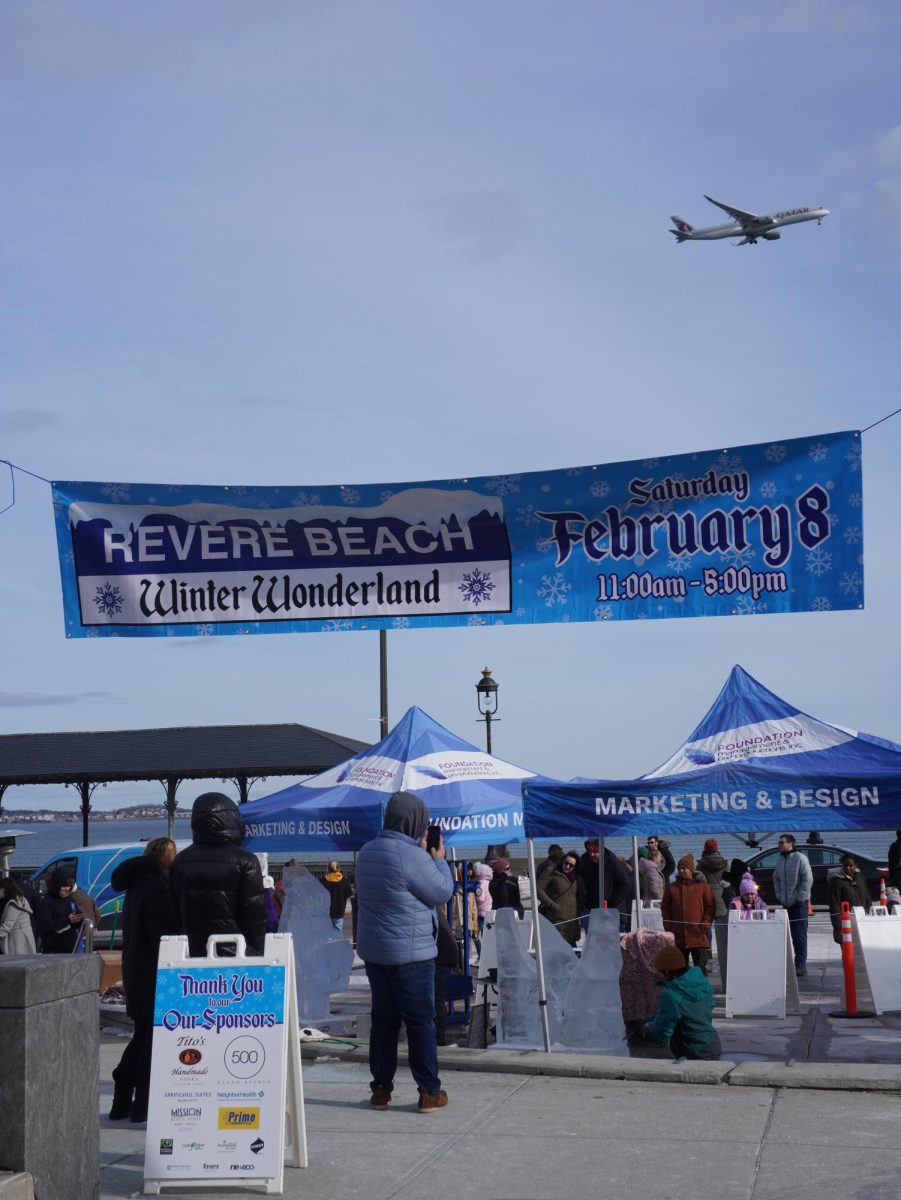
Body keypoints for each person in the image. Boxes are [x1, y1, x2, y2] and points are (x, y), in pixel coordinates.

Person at [355, 790, 455, 1113]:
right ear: (414, 822)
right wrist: (438, 860)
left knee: (383, 1021)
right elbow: (442, 890)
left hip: (375, 954)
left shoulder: (368, 851)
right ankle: (428, 1091)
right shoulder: (411, 856)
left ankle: (380, 1090)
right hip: (412, 955)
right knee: (420, 1022)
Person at [108, 838, 178, 1123]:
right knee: (149, 1043)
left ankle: (122, 1100)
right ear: (168, 858)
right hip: (153, 976)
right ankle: (140, 1105)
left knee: (142, 1037)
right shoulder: (159, 888)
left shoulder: (136, 886)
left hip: (136, 973)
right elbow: (166, 936)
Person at [169, 792, 266, 957]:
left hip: (190, 952)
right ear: (232, 819)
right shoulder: (246, 861)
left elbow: (173, 913)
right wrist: (258, 950)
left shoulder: (180, 861)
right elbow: (253, 916)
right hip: (236, 953)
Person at [642, 945, 721, 1061]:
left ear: (668, 971)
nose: (660, 976)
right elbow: (696, 1009)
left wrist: (647, 1029)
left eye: (660, 971)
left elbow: (662, 1031)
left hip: (693, 1050)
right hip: (712, 1043)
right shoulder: (701, 981)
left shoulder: (671, 995)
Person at [661, 855, 714, 973]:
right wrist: (669, 926)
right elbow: (665, 908)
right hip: (678, 935)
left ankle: (701, 990)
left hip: (698, 935)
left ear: (691, 870)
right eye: (679, 868)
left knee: (700, 969)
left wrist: (705, 923)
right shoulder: (672, 888)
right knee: (679, 969)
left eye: (684, 868)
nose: (681, 870)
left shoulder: (703, 887)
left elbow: (710, 907)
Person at [772, 834, 813, 977]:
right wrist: (779, 895)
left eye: (782, 842)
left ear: (791, 844)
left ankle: (801, 964)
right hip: (785, 902)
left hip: (799, 903)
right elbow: (776, 878)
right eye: (779, 842)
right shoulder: (779, 860)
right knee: (787, 935)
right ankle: (791, 963)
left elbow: (807, 879)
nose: (779, 844)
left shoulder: (800, 858)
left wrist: (800, 897)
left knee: (799, 934)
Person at [577, 838, 632, 929]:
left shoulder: (613, 862)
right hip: (591, 910)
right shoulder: (584, 860)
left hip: (612, 911)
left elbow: (626, 885)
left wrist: (611, 901)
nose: (592, 855)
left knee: (612, 941)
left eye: (595, 852)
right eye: (590, 851)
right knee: (593, 941)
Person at [536, 851, 585, 946]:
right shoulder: (551, 871)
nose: (567, 866)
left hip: (571, 924)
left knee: (572, 956)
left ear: (575, 867)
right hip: (556, 921)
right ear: (562, 861)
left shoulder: (576, 878)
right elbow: (538, 889)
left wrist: (578, 911)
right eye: (566, 863)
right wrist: (551, 904)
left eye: (571, 865)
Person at [828, 853, 871, 943]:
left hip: (861, 920)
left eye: (850, 865)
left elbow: (867, 898)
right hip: (845, 922)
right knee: (847, 951)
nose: (848, 868)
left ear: (855, 866)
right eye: (845, 865)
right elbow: (834, 905)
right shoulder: (837, 881)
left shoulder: (860, 878)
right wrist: (838, 927)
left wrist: (869, 916)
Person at [38, 870, 83, 953]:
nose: (67, 889)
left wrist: (78, 919)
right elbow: (45, 926)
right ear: (57, 884)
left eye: (69, 886)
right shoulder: (47, 902)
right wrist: (68, 919)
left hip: (71, 947)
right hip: (54, 950)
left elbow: (74, 923)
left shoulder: (69, 899)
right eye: (64, 886)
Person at [0, 877, 37, 954]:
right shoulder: (21, 899)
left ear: (4, 889)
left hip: (17, 943)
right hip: (24, 940)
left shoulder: (14, 904)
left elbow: (7, 926)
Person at [697, 839, 728, 922]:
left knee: (706, 924)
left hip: (706, 895)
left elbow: (697, 880)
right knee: (721, 924)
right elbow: (728, 880)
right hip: (721, 896)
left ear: (705, 848)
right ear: (717, 848)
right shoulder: (723, 863)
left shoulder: (701, 864)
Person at [321, 860, 352, 932]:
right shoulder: (344, 881)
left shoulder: (323, 881)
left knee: (327, 934)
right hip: (339, 911)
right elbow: (349, 893)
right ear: (339, 869)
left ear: (328, 869)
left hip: (326, 912)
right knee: (337, 935)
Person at [638, 841, 668, 906]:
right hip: (654, 903)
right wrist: (661, 900)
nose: (660, 859)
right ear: (655, 857)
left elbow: (663, 862)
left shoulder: (648, 867)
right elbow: (654, 888)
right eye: (659, 857)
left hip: (649, 901)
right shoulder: (652, 869)